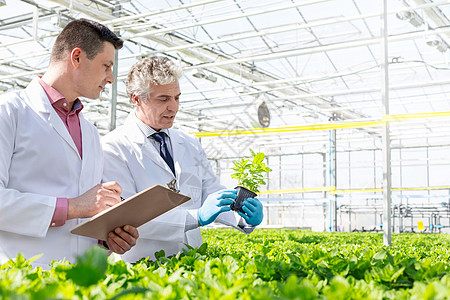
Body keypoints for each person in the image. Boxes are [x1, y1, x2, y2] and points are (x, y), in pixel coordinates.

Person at [0, 19, 139, 268]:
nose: (111, 78)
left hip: (80, 281)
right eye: (106, 66)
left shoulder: (90, 132)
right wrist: (73, 207)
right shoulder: (9, 112)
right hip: (23, 280)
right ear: (77, 57)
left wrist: (107, 238)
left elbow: (85, 212)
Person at [102, 56, 264, 263]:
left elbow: (210, 191)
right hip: (142, 267)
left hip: (192, 262)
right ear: (137, 99)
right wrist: (195, 217)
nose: (173, 107)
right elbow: (126, 217)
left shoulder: (189, 144)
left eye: (177, 98)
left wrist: (242, 216)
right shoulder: (114, 147)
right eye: (163, 99)